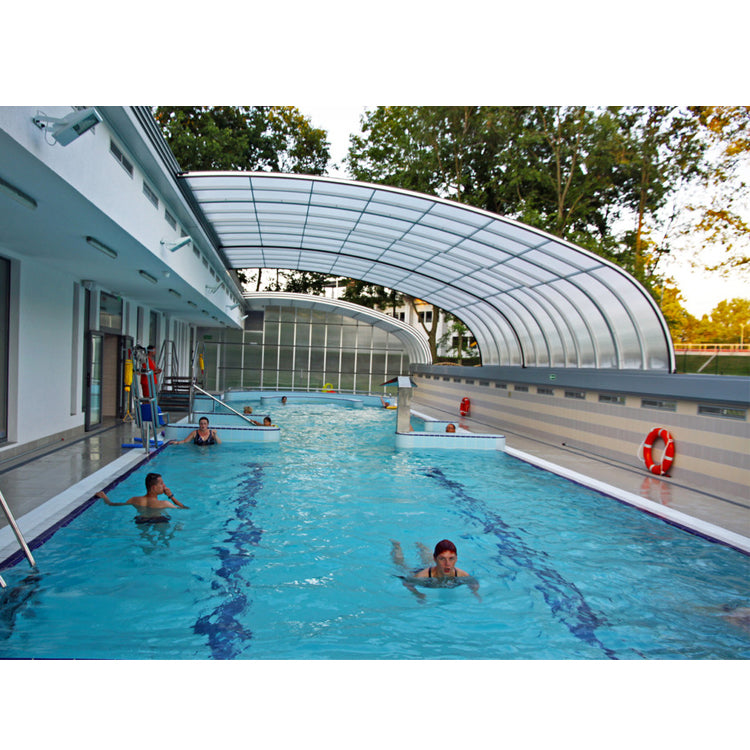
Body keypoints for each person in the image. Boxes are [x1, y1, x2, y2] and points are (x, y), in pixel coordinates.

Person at [96, 472, 188, 524]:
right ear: (154, 488)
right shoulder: (164, 503)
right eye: (161, 483)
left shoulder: (134, 500)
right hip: (159, 520)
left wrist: (104, 497)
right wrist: (171, 496)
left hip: (141, 520)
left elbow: (112, 504)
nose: (164, 485)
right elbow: (184, 508)